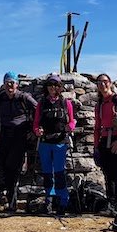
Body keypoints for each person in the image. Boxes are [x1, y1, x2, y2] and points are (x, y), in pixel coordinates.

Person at [0, 71, 37, 211]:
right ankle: (8, 199)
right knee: (4, 165)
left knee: (12, 165)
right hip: (4, 136)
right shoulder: (0, 98)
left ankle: (10, 198)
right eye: (7, 82)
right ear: (3, 84)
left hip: (20, 136)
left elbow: (38, 109)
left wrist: (34, 130)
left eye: (12, 82)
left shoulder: (24, 97)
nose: (10, 85)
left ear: (17, 84)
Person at [33, 73, 76, 215]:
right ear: (47, 87)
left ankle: (63, 201)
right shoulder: (42, 103)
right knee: (47, 173)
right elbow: (36, 123)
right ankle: (49, 200)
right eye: (50, 85)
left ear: (60, 87)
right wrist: (37, 130)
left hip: (60, 142)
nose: (53, 87)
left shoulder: (66, 103)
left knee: (59, 172)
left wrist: (71, 126)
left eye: (56, 85)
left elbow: (72, 121)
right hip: (45, 142)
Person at [93, 73, 117, 213]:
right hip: (104, 140)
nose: (102, 85)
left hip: (116, 139)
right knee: (107, 173)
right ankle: (111, 202)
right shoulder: (100, 104)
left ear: (110, 83)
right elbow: (97, 127)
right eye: (99, 83)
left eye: (105, 82)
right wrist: (96, 147)